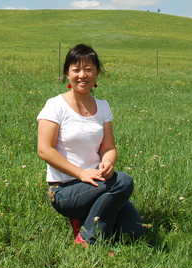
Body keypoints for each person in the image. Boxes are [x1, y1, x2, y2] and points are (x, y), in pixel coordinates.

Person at [37, 44, 145, 247]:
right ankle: (88, 239)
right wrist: (80, 173)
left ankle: (90, 217)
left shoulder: (103, 106)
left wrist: (107, 162)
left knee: (134, 232)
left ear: (97, 73)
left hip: (97, 183)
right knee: (124, 181)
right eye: (76, 69)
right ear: (67, 73)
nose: (82, 75)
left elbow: (109, 148)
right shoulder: (55, 105)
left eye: (88, 69)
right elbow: (44, 149)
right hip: (65, 189)